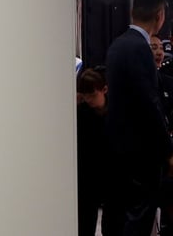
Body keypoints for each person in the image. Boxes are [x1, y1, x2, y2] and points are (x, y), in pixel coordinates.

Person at [105, 0, 173, 236]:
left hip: (119, 150)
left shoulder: (118, 45)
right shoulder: (139, 48)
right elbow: (149, 104)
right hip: (141, 154)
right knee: (139, 218)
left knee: (119, 216)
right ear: (160, 15)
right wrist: (168, 150)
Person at [76, 68, 109, 236]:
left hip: (110, 175)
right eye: (85, 95)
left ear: (104, 90)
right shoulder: (81, 114)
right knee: (85, 223)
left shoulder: (115, 113)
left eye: (92, 95)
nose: (89, 99)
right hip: (87, 176)